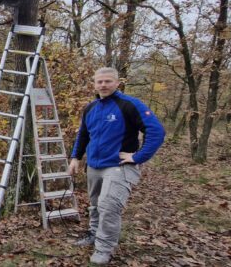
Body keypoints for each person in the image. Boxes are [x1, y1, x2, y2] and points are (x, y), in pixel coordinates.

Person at [68, 67, 165, 265]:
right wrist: (75, 157)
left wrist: (139, 156)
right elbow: (84, 135)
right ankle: (94, 234)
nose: (103, 85)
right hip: (94, 166)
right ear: (94, 84)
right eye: (99, 82)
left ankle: (104, 248)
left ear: (117, 83)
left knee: (108, 206)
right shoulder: (90, 108)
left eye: (107, 81)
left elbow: (156, 131)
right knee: (95, 205)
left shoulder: (129, 105)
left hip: (119, 166)